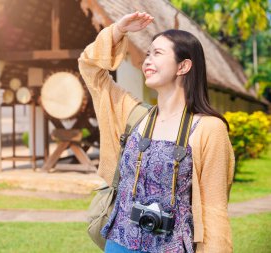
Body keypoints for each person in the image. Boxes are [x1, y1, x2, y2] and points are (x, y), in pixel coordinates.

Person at [78, 11, 235, 253]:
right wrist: (118, 30)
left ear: (183, 66)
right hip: (119, 242)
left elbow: (214, 210)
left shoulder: (208, 129)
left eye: (157, 54)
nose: (147, 60)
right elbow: (90, 67)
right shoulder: (134, 115)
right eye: (147, 53)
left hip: (172, 247)